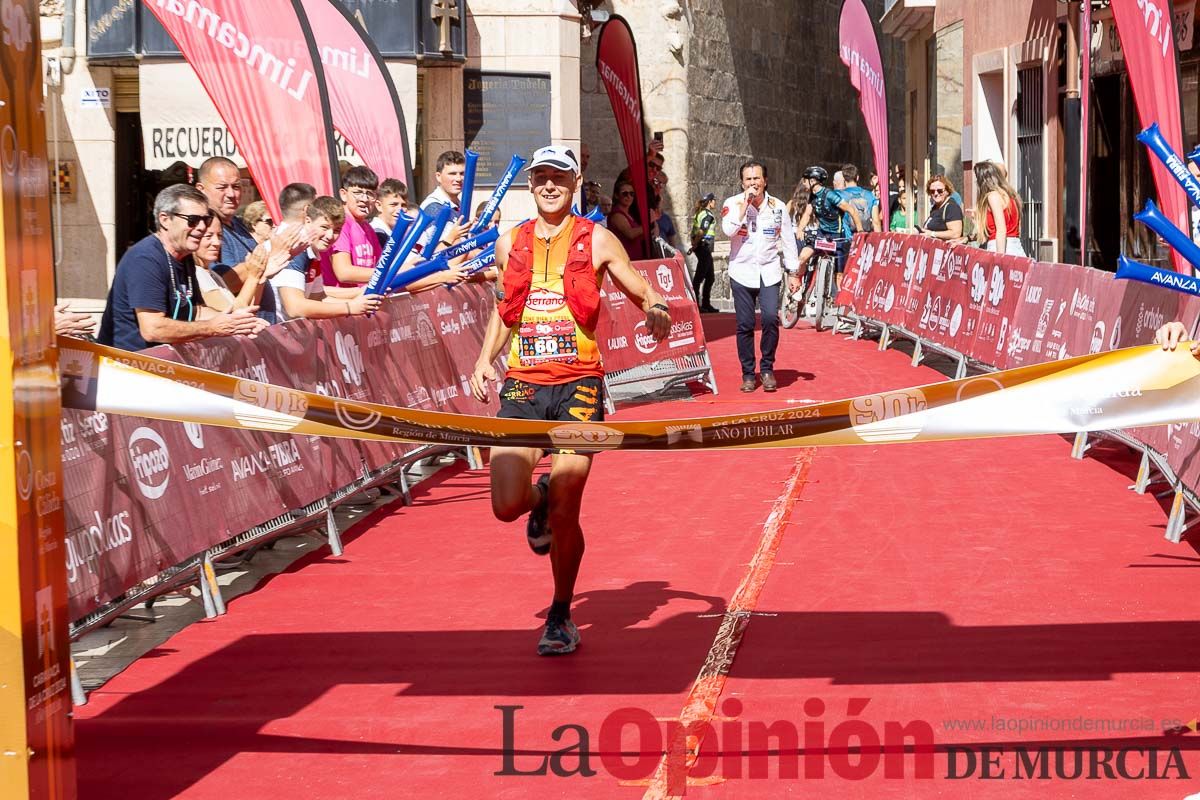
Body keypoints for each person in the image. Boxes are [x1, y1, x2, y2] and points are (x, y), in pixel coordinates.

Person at [468, 145, 671, 657]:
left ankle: (560, 613)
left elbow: (636, 284)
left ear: (575, 182)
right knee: (505, 504)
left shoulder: (597, 238)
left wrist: (656, 306)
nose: (549, 185)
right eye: (541, 177)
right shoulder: (509, 241)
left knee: (567, 504)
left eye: (559, 177)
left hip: (578, 386)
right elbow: (505, 309)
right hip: (523, 384)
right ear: (531, 184)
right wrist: (482, 358)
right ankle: (532, 506)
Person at [97, 184, 265, 350]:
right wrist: (212, 328)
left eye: (205, 220)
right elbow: (152, 329)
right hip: (130, 368)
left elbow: (195, 311)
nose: (201, 227)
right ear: (165, 220)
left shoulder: (184, 257)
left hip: (167, 367)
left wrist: (238, 322)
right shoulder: (145, 258)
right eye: (192, 220)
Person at [721, 160, 800, 393]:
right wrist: (744, 206)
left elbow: (788, 241)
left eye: (757, 178)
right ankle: (748, 373)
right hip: (742, 272)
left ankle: (766, 368)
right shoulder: (732, 203)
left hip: (769, 271)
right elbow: (728, 230)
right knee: (745, 325)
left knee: (769, 319)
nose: (753, 183)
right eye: (748, 179)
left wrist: (793, 272)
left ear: (765, 181)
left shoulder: (778, 207)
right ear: (742, 182)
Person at [272, 196, 383, 321]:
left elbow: (319, 298)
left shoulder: (313, 251)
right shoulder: (296, 248)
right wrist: (350, 307)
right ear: (308, 221)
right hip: (272, 332)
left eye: (336, 230)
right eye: (324, 227)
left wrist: (360, 301)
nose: (330, 236)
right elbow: (295, 308)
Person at [794, 165, 862, 278]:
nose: (803, 183)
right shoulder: (812, 196)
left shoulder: (830, 195)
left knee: (839, 275)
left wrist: (860, 230)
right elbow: (807, 214)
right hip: (821, 234)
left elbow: (851, 210)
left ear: (812, 181)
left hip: (836, 236)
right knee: (801, 259)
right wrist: (800, 229)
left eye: (805, 180)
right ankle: (798, 285)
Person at [322, 166, 383, 288]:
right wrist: (388, 274)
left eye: (370, 194)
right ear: (344, 194)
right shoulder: (341, 224)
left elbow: (381, 265)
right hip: (341, 303)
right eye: (358, 193)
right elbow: (344, 273)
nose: (364, 199)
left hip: (365, 301)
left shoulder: (368, 228)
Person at [417, 150, 471, 256]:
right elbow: (442, 253)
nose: (458, 178)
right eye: (452, 174)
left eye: (462, 173)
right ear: (438, 176)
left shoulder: (457, 205)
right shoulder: (434, 207)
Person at [973, 160, 1025, 256]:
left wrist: (1000, 258)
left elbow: (1001, 229)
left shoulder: (993, 196)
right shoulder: (1012, 195)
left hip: (999, 247)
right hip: (1015, 246)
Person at [689, 192, 718, 313]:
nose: (715, 202)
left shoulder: (701, 213)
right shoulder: (707, 215)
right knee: (699, 277)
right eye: (714, 200)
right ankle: (696, 304)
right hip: (703, 247)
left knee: (710, 277)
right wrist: (695, 244)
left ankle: (706, 303)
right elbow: (701, 231)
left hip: (703, 247)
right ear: (710, 202)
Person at [607, 179, 648, 261]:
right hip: (625, 261)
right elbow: (630, 234)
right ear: (616, 195)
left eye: (632, 194)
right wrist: (648, 225)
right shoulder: (617, 215)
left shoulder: (629, 215)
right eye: (625, 194)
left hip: (635, 259)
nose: (629, 197)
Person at [921, 175, 964, 242]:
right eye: (932, 191)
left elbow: (955, 234)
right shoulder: (935, 207)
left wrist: (932, 234)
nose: (935, 193)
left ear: (947, 191)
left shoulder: (952, 207)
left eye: (939, 191)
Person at [840, 164, 880, 233]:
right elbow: (876, 222)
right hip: (865, 239)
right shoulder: (870, 195)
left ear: (844, 179)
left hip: (847, 238)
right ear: (857, 178)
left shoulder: (839, 196)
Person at [371, 178, 409, 248]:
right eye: (393, 204)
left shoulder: (396, 234)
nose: (399, 210)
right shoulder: (376, 235)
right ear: (379, 205)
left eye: (404, 205)